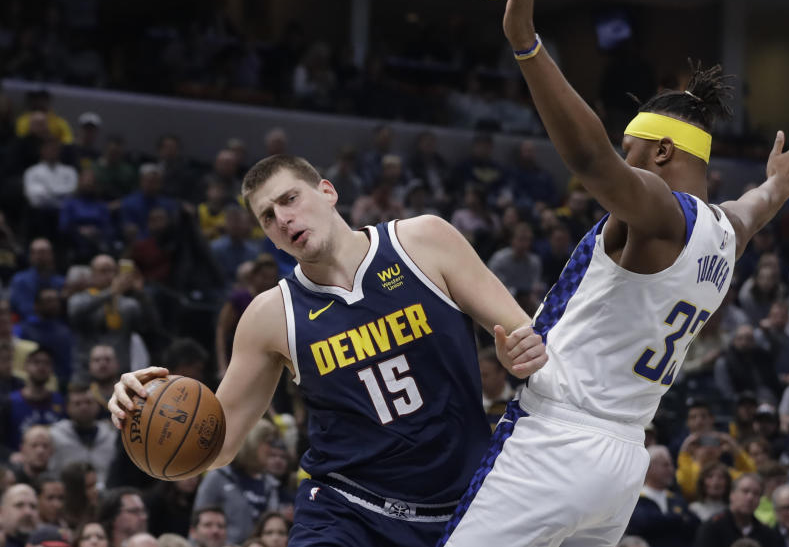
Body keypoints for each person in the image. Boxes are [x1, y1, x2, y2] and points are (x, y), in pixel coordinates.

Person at [437, 0, 789, 547]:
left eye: (632, 153)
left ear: (660, 151)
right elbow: (755, 207)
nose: (623, 166)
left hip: (557, 442)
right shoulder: (725, 232)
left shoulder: (661, 208)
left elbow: (588, 157)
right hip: (623, 459)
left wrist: (526, 44)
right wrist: (780, 185)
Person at [109, 149, 548, 547]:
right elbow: (217, 443)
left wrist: (518, 355)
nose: (282, 218)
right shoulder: (270, 316)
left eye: (290, 199)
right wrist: (141, 408)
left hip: (464, 506)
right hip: (346, 511)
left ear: (327, 191)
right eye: (267, 217)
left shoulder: (423, 242)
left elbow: (523, 334)